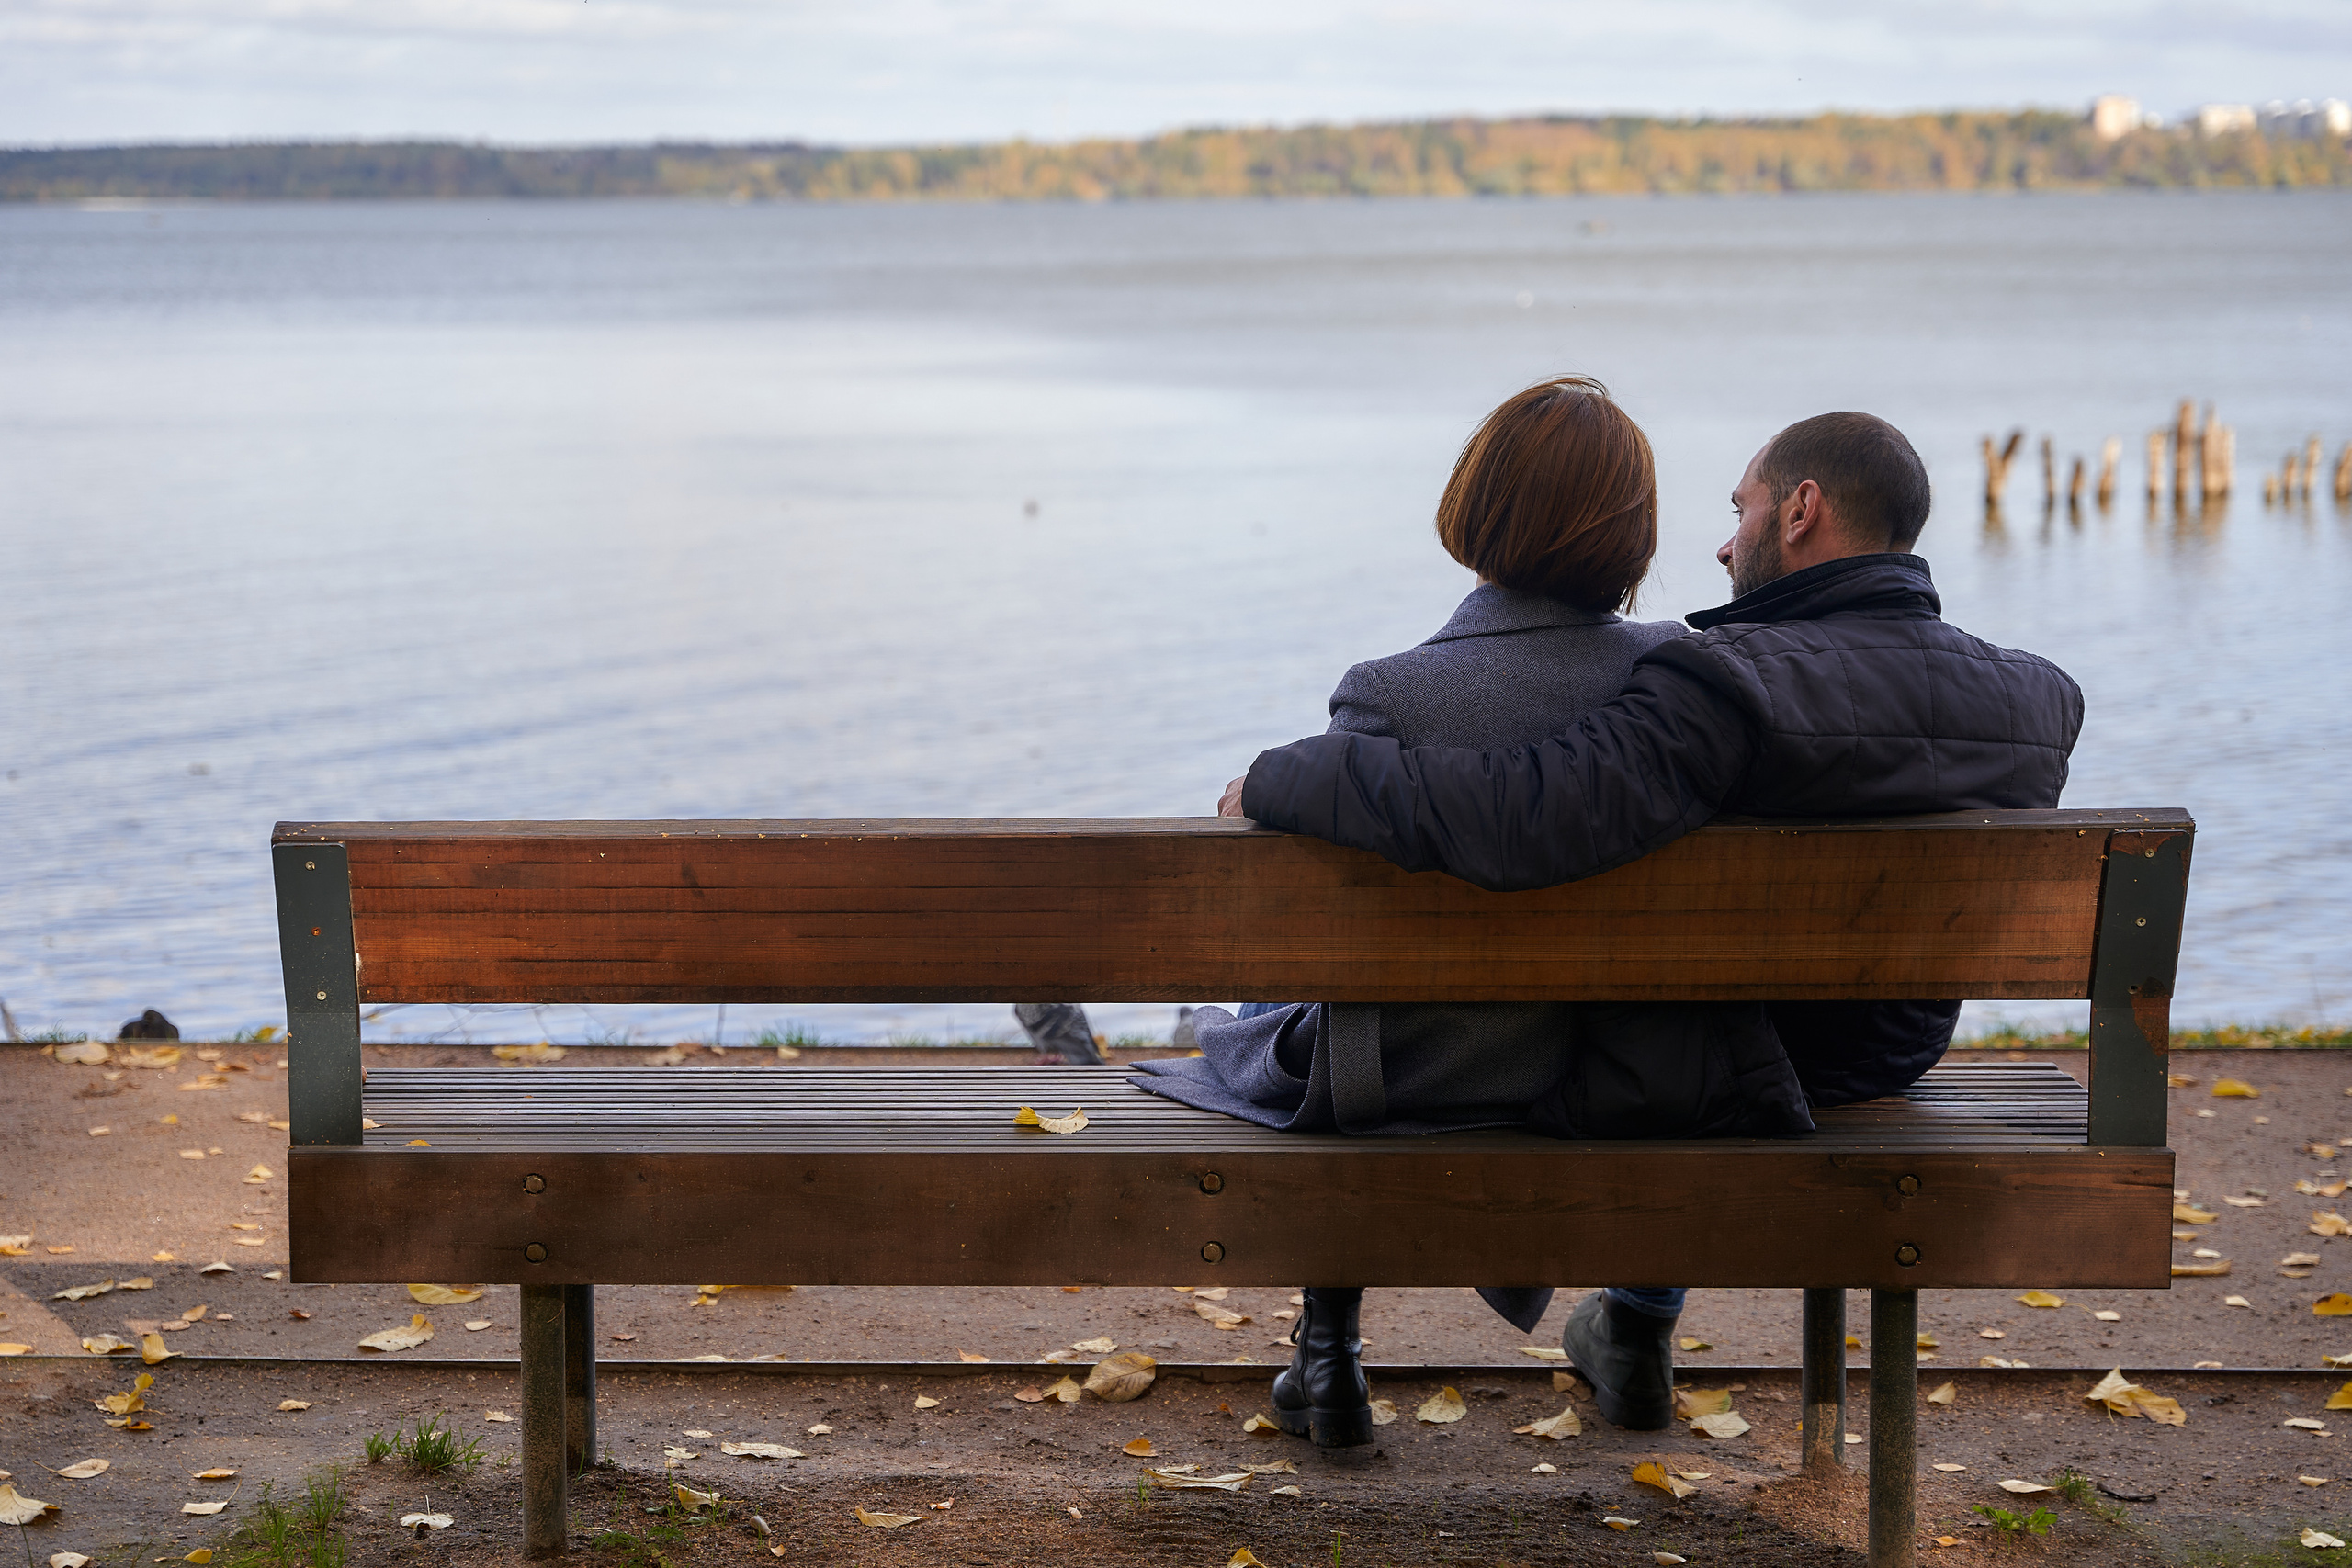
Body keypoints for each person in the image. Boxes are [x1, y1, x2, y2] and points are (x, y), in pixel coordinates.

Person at [1218, 411, 2085, 1433]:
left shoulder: (1728, 683)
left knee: (1323, 1016)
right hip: (1879, 1058)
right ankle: (1636, 1318)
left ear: (1800, 511)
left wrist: (1292, 775)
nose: (1724, 543)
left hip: (1717, 1065)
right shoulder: (2039, 697)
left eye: (1740, 509)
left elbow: (1528, 816)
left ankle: (1339, 1341)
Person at [1136, 375, 1810, 1448]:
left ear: (1474, 511)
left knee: (1294, 1001)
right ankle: (1638, 1326)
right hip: (1624, 1073)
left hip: (1412, 1072)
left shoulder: (1387, 693)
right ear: (1630, 535)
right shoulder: (1689, 685)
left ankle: (1330, 1353)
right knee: (1671, 997)